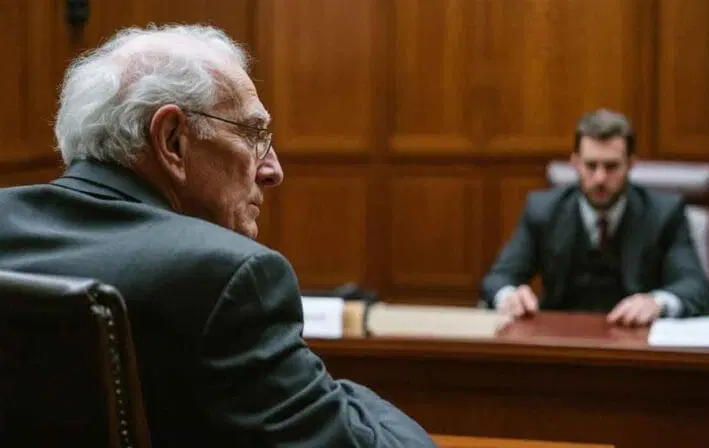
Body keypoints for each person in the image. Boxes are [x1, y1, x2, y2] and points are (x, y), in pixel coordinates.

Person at [0, 24, 435, 447]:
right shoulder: (226, 278)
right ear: (172, 142)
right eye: (253, 134)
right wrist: (342, 393)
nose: (273, 170)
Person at [481, 109, 709, 327]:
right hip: (559, 339)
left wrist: (657, 302)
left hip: (636, 342)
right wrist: (508, 296)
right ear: (575, 163)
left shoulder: (664, 213)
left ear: (631, 164)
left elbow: (695, 287)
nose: (600, 178)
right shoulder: (543, 210)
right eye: (591, 165)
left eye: (611, 166)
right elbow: (499, 278)